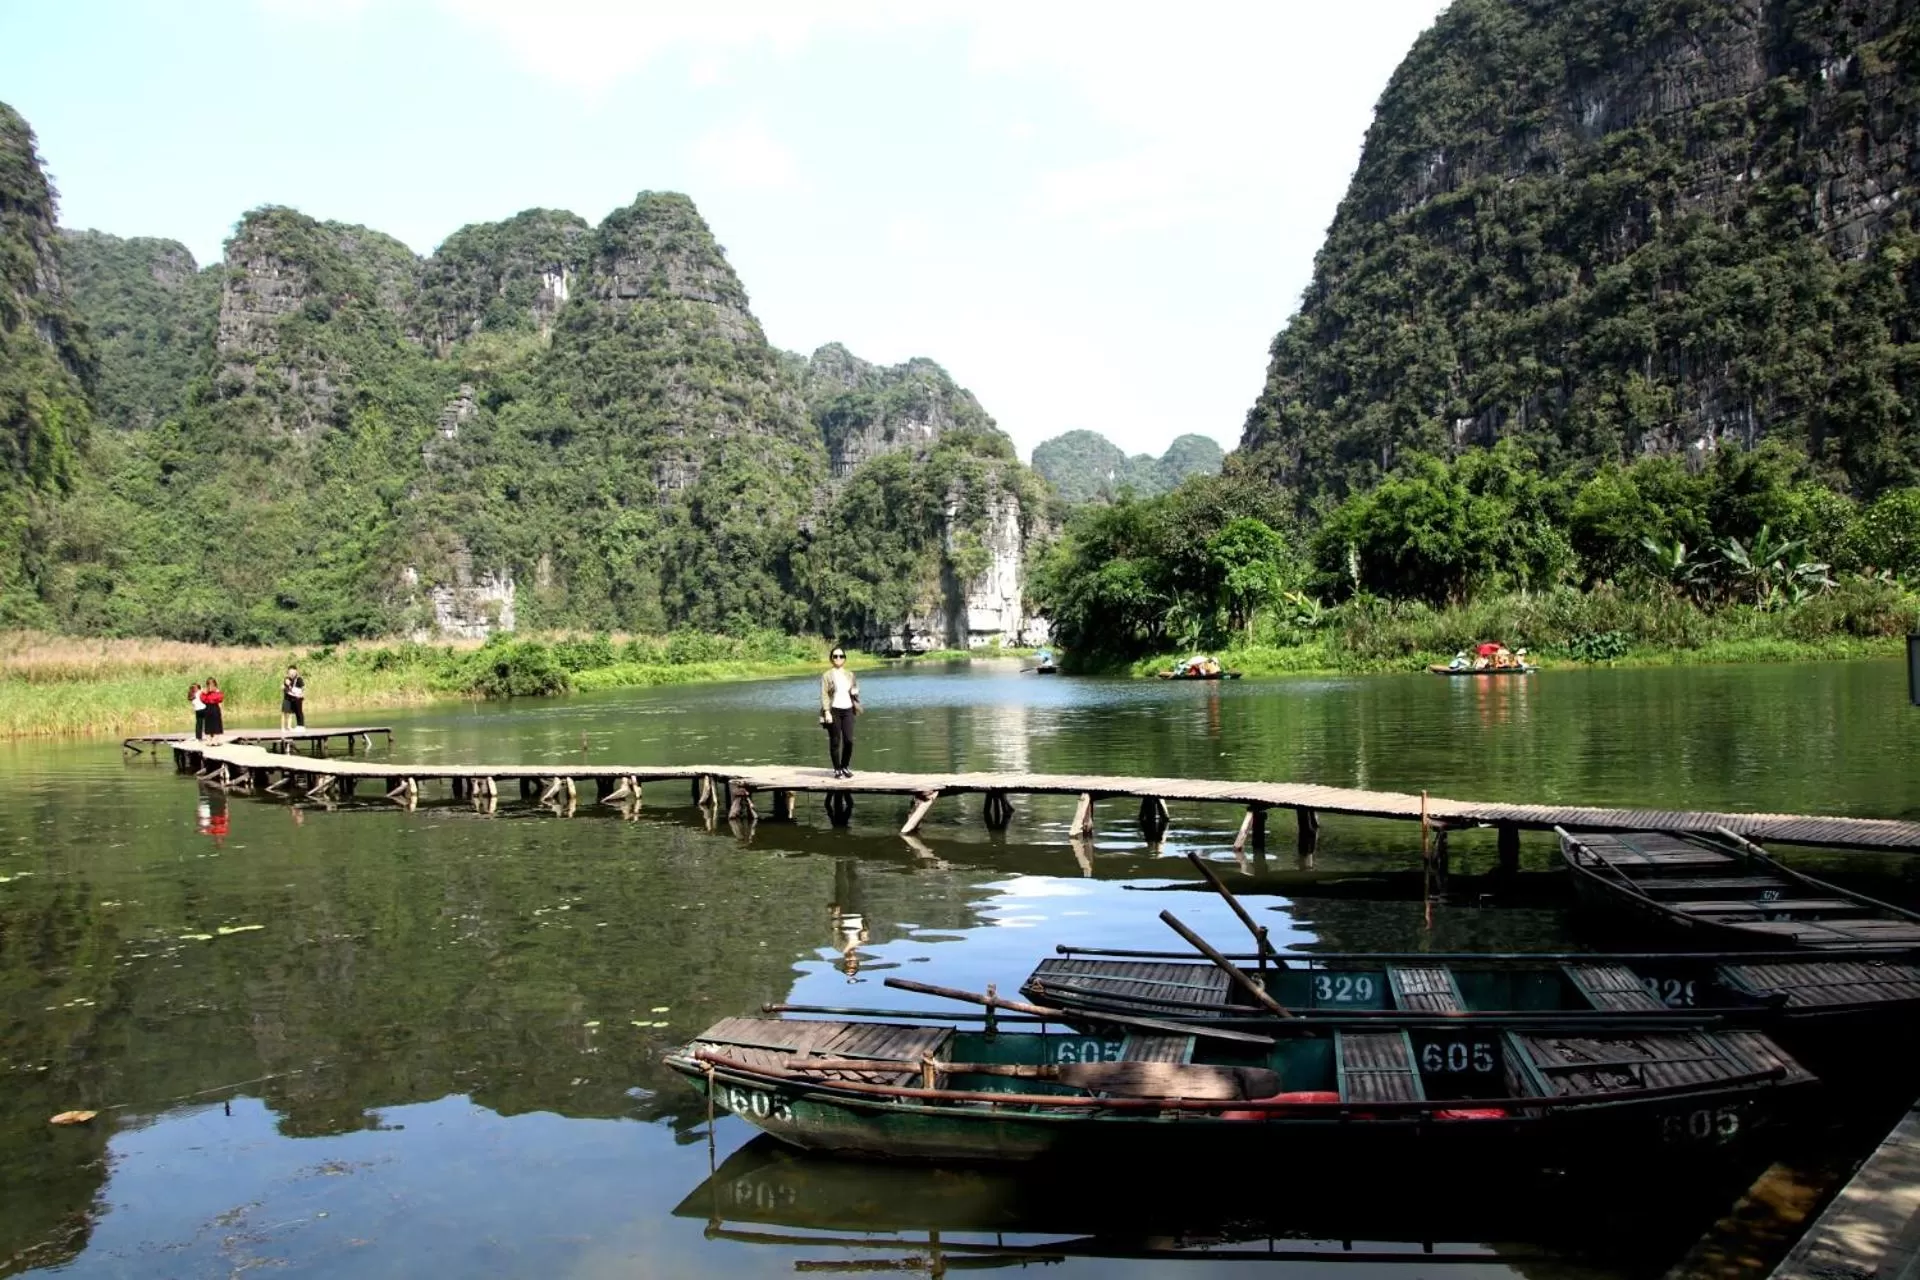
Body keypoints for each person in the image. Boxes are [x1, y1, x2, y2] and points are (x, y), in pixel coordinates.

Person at [818, 646, 860, 778]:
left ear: (844, 659)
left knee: (849, 741)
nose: (838, 658)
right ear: (831, 659)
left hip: (848, 709)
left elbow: (854, 690)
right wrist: (826, 712)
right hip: (833, 710)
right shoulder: (827, 675)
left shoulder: (850, 674)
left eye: (841, 656)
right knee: (835, 741)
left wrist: (855, 691)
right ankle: (837, 769)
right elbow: (824, 694)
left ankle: (845, 766)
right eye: (835, 656)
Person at [280, 666, 306, 730]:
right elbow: (284, 687)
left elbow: (303, 687)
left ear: (296, 672)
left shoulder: (298, 679)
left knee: (299, 712)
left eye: (293, 672)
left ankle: (301, 726)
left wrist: (301, 694)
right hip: (290, 699)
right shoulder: (287, 679)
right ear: (288, 672)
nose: (292, 674)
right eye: (290, 672)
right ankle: (286, 727)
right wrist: (284, 686)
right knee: (291, 713)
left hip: (298, 697)